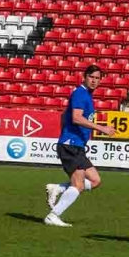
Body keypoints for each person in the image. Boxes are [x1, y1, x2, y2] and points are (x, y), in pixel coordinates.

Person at [44, 65, 116, 227]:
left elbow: (65, 116)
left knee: (96, 181)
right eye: (92, 77)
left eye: (97, 78)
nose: (94, 81)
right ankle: (53, 215)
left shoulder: (87, 96)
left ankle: (58, 188)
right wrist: (101, 128)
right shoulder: (80, 93)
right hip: (71, 146)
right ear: (85, 77)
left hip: (77, 146)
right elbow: (76, 118)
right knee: (78, 185)